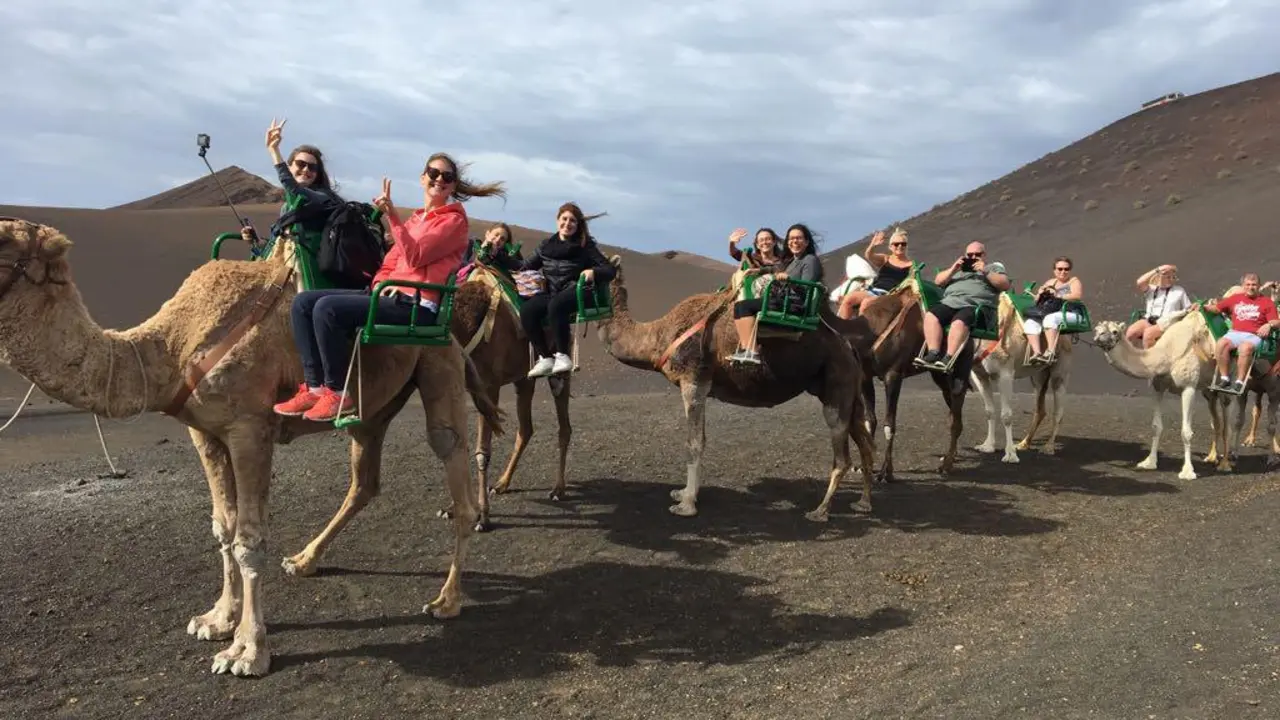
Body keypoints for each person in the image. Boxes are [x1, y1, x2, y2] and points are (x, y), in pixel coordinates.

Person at [273, 152, 507, 421]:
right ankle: (314, 388)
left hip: (417, 304)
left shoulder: (454, 221)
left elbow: (416, 255)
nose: (439, 179)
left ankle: (337, 393)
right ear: (423, 178)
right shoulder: (417, 219)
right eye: (433, 173)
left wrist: (392, 216)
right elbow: (390, 262)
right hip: (391, 295)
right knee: (303, 303)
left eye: (447, 176)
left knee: (327, 308)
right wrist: (380, 285)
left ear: (453, 186)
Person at [519, 202, 618, 378]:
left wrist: (593, 271)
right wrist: (500, 256)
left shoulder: (585, 247)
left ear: (578, 225)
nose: (567, 223)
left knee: (557, 305)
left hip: (578, 292)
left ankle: (563, 356)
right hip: (552, 292)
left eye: (572, 220)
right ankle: (545, 357)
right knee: (527, 310)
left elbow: (609, 270)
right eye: (564, 219)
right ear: (557, 221)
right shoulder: (545, 246)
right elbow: (525, 267)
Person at [728, 223, 824, 364]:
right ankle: (747, 349)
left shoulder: (810, 260)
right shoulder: (792, 262)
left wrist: (788, 279)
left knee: (744, 306)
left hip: (793, 303)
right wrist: (757, 271)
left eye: (798, 238)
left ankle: (752, 351)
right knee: (739, 306)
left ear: (806, 241)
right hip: (783, 299)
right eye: (791, 239)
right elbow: (775, 270)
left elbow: (807, 286)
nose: (794, 241)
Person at [244, 118, 343, 249]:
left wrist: (274, 150)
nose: (306, 169)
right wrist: (256, 241)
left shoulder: (323, 198)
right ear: (289, 167)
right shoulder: (287, 208)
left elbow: (294, 189)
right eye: (301, 164)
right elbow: (277, 248)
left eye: (312, 167)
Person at [917, 240, 1010, 370]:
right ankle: (933, 352)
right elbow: (938, 281)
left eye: (977, 254)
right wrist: (953, 269)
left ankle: (948, 357)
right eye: (969, 255)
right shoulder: (958, 271)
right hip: (950, 302)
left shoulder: (992, 268)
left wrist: (984, 271)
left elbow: (1004, 284)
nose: (973, 258)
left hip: (975, 306)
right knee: (931, 316)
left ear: (984, 255)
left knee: (959, 321)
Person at [1198, 273, 1279, 394]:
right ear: (1243, 286)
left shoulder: (1266, 302)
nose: (1251, 287)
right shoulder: (1235, 298)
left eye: (1254, 285)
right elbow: (1216, 308)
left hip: (1254, 335)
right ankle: (1225, 378)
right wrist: (1202, 306)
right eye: (1248, 284)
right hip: (1235, 333)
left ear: (1259, 286)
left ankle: (1239, 382)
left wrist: (1269, 325)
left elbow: (1276, 321)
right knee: (1221, 343)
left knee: (1245, 348)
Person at [836, 226, 914, 319]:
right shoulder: (886, 258)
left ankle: (862, 331)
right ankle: (843, 330)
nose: (900, 246)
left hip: (889, 295)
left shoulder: (911, 265)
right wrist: (873, 244)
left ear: (906, 246)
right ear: (890, 247)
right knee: (848, 299)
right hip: (874, 290)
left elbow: (911, 284)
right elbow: (869, 255)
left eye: (903, 244)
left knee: (866, 303)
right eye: (896, 244)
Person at [1023, 256, 1085, 364]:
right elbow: (1037, 299)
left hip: (1070, 313)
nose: (1063, 272)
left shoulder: (1074, 281)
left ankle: (1051, 352)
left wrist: (1058, 295)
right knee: (1030, 322)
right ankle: (1037, 353)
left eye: (1066, 269)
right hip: (1052, 311)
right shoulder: (1050, 282)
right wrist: (1041, 293)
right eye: (1060, 269)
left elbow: (1077, 295)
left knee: (1050, 319)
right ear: (1054, 270)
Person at [1125, 264, 1191, 348]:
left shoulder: (1179, 291)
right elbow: (1140, 282)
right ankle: (1131, 357)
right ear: (1160, 277)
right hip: (1149, 320)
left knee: (1148, 335)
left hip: (1167, 323)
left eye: (1173, 277)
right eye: (1168, 277)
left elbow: (1188, 308)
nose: (1171, 280)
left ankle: (1150, 360)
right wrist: (1158, 269)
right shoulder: (1152, 289)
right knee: (1131, 332)